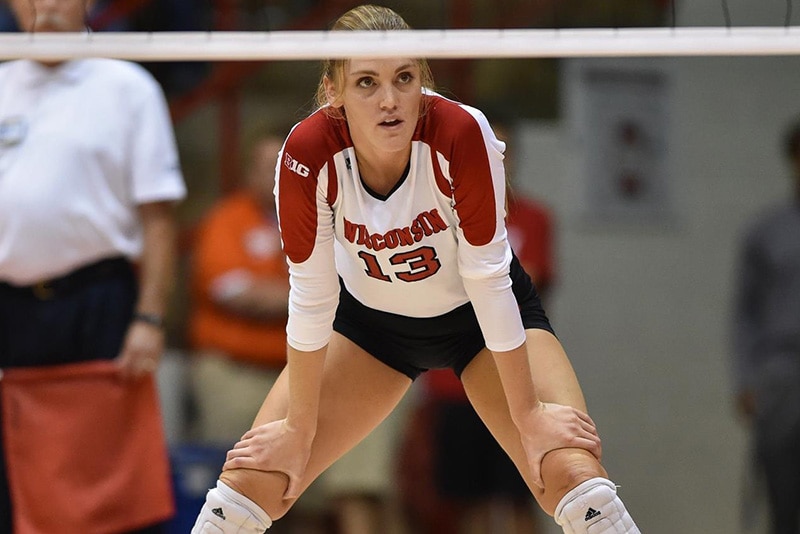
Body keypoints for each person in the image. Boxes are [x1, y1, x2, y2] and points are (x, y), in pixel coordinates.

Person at [192, 5, 640, 534]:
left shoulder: (461, 132)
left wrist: (529, 417)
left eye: (404, 78)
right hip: (370, 330)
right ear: (333, 92)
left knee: (568, 473)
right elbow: (311, 297)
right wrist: (298, 427)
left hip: (479, 321)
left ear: (422, 80)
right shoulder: (307, 153)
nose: (389, 100)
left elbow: (489, 280)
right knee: (251, 483)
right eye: (367, 82)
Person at [0, 0, 186, 532]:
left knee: (107, 481)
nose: (45, 5)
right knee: (14, 478)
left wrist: (150, 318)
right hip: (11, 309)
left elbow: (159, 219)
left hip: (97, 302)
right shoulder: (2, 84)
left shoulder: (128, 87)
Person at [399, 122, 557, 534]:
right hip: (454, 382)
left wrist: (470, 283)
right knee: (464, 500)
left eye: (498, 152)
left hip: (516, 378)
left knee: (523, 492)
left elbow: (525, 285)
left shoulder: (534, 218)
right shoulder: (434, 220)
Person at [187, 124, 290, 448]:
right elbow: (233, 292)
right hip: (235, 370)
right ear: (249, 172)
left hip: (305, 373)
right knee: (235, 467)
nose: (277, 175)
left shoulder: (326, 217)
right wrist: (313, 296)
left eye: (284, 164)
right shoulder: (226, 219)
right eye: (267, 166)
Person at [732, 117, 800, 534]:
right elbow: (745, 312)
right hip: (781, 372)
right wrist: (745, 378)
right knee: (782, 493)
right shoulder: (766, 232)